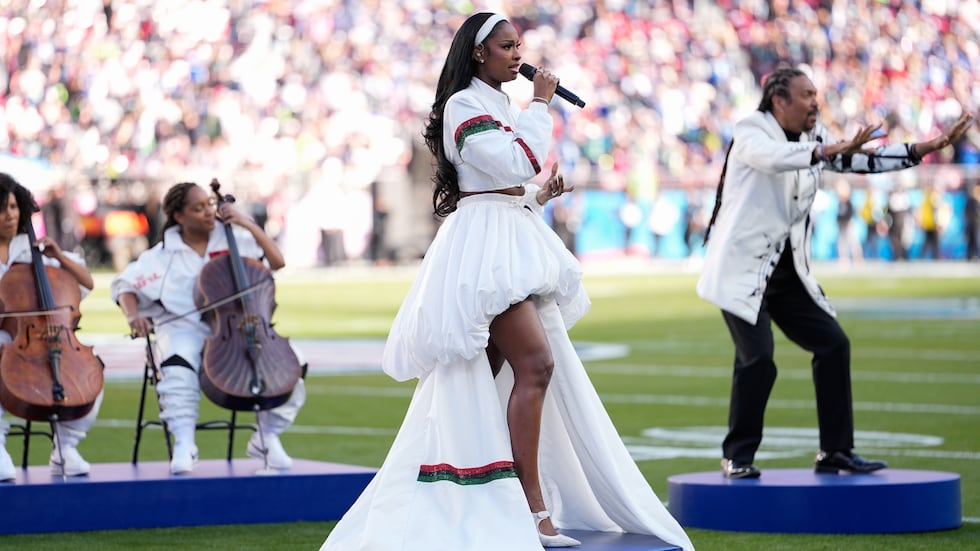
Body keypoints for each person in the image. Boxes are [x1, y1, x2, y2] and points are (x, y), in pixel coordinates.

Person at [320, 13, 693, 551]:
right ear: (478, 52)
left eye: (520, 44)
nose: (519, 54)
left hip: (504, 236)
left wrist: (539, 195)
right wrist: (541, 106)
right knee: (536, 364)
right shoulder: (463, 104)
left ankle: (465, 490)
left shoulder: (496, 103)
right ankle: (531, 506)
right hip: (482, 252)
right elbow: (516, 160)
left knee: (481, 379)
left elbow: (507, 181)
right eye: (507, 45)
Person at [697, 66, 975, 479]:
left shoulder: (815, 137)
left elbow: (863, 160)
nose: (815, 102)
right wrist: (826, 151)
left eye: (816, 94)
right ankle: (737, 455)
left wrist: (925, 147)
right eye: (806, 95)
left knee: (833, 345)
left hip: (786, 272)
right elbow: (769, 159)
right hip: (741, 271)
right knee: (758, 359)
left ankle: (835, 452)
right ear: (779, 101)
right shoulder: (752, 129)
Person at [110, 182, 306, 475]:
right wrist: (132, 315)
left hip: (239, 327)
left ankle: (268, 436)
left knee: (293, 365)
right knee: (178, 362)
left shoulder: (235, 239)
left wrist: (247, 224)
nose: (207, 212)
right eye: (197, 208)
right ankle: (185, 442)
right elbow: (124, 286)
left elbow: (276, 262)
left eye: (209, 205)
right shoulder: (161, 256)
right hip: (183, 328)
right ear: (179, 216)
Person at [0, 173, 104, 482]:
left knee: (88, 373)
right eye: (2, 208)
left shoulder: (34, 249)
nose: (9, 215)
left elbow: (86, 282)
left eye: (14, 207)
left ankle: (66, 447)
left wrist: (58, 255)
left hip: (44, 337)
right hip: (7, 338)